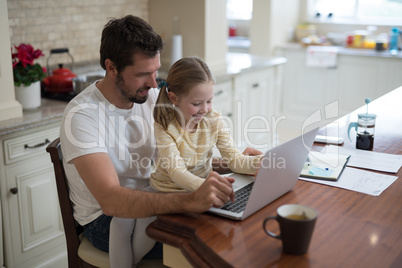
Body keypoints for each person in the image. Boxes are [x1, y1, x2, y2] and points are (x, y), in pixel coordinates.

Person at [59, 15, 261, 267]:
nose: (154, 83)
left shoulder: (153, 98)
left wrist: (235, 164)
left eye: (155, 72)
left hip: (157, 194)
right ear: (112, 68)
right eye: (144, 74)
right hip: (106, 220)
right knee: (214, 239)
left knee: (231, 224)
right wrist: (192, 198)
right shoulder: (82, 115)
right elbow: (112, 201)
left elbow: (178, 158)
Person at [150, 57, 263, 193]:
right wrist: (208, 186)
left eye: (209, 101)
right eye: (197, 104)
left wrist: (262, 163)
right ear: (174, 98)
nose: (205, 109)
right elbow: (177, 171)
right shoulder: (165, 126)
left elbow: (234, 159)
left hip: (202, 189)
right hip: (169, 192)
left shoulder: (213, 119)